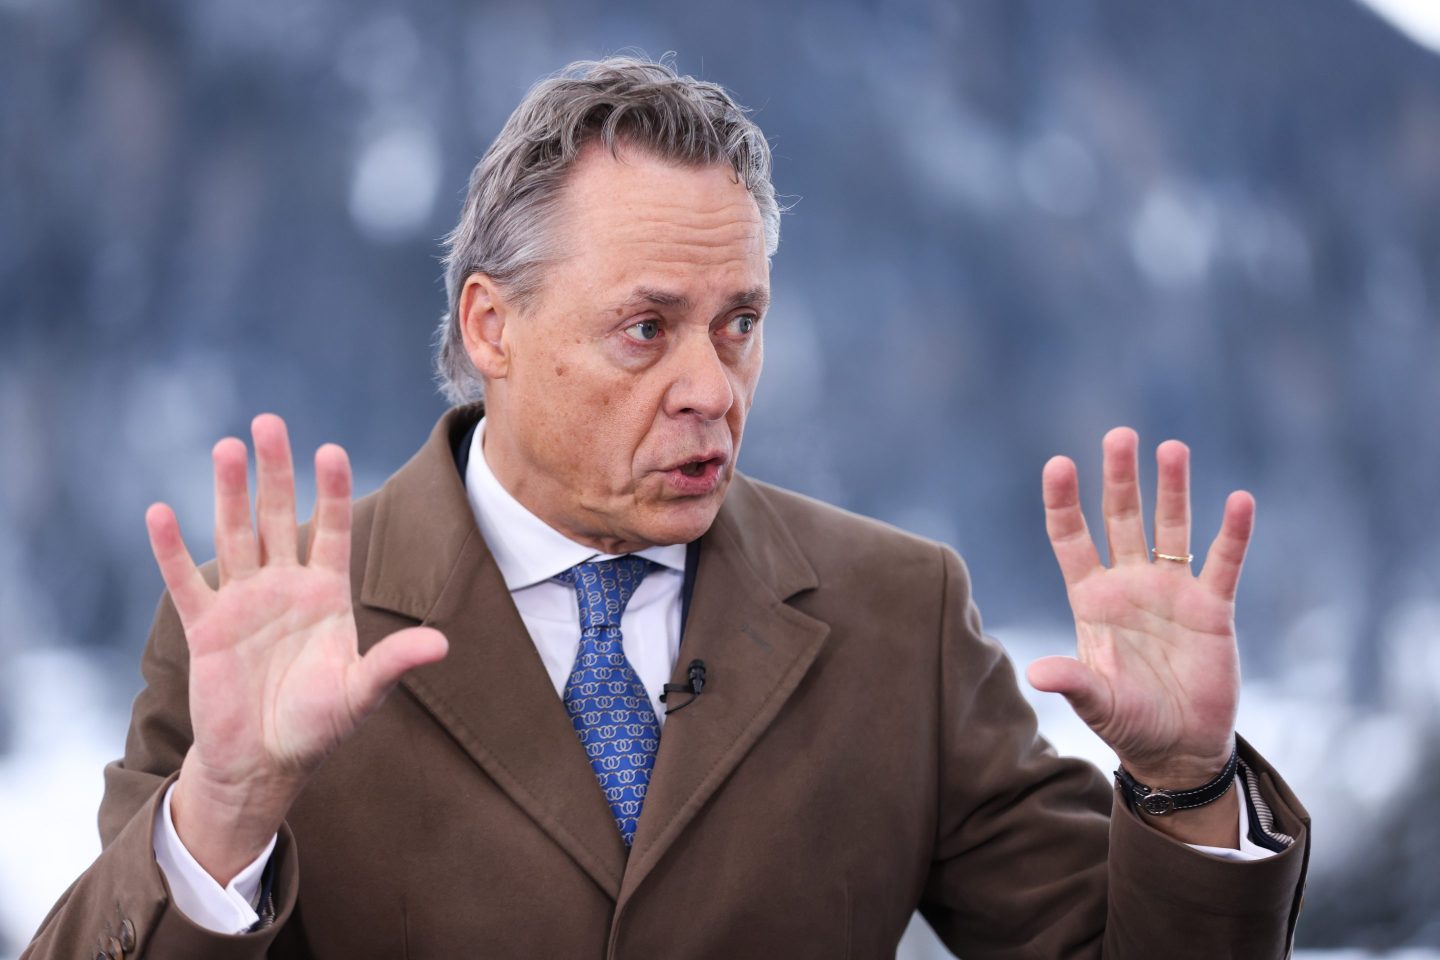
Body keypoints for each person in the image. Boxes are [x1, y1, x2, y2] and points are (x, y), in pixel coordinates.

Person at [23, 57, 1308, 960]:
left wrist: (1185, 786)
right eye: (647, 329)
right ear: (493, 328)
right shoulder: (266, 632)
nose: (713, 389)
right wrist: (226, 812)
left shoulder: (898, 615)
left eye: (739, 324)